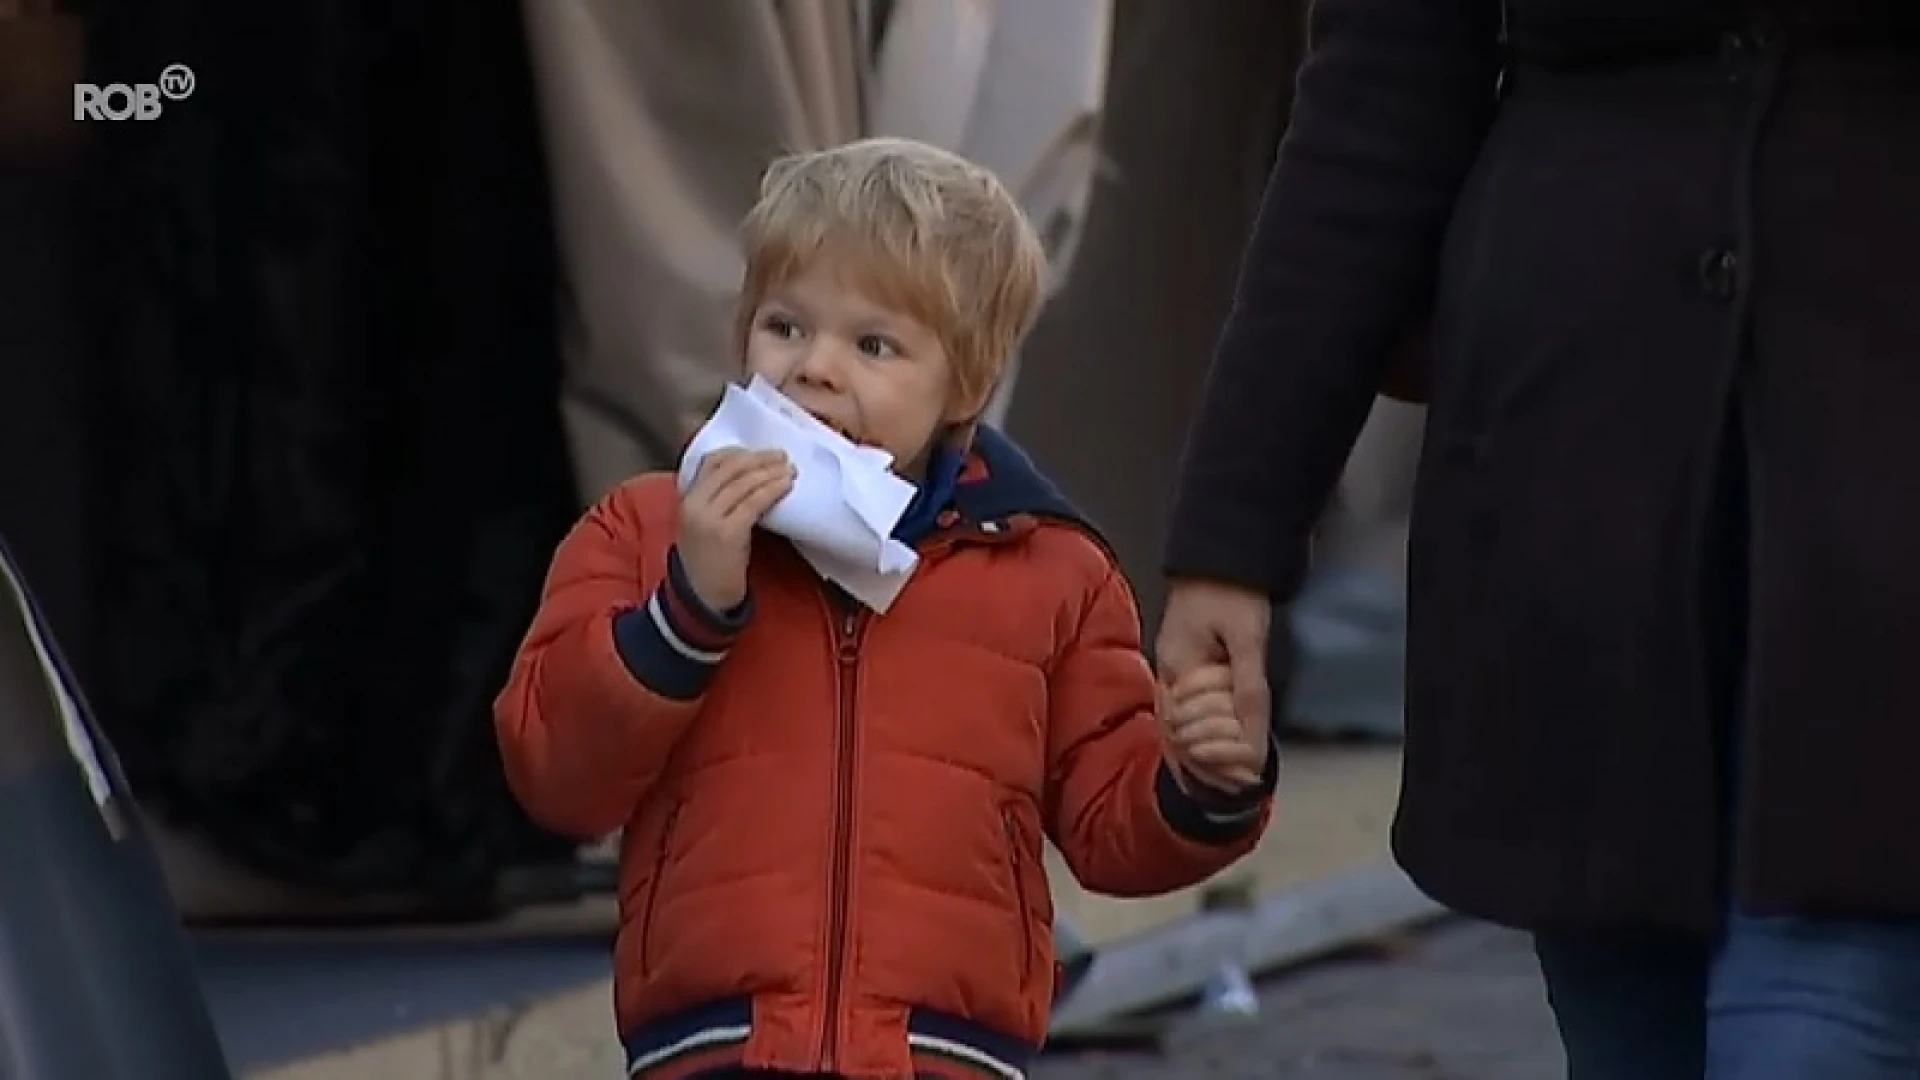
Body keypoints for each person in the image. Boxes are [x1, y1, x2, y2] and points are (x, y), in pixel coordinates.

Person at [1153, 1, 1920, 1078]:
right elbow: (1377, 106)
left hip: (1883, 465)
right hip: (1572, 469)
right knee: (1628, 1020)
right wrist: (1235, 535)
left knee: (1820, 1012)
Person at [495, 137, 1278, 1080]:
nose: (816, 368)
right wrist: (686, 611)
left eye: (874, 344)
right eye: (785, 327)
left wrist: (1206, 777)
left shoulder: (1051, 572)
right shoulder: (644, 528)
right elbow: (555, 777)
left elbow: (1114, 830)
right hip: (717, 1047)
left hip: (944, 1054)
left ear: (969, 383)